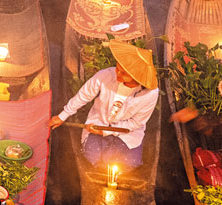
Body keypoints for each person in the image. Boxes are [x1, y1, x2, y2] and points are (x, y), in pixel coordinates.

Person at [50, 41, 160, 171]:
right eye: (118, 68)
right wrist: (63, 116)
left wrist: (107, 131)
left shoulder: (150, 94)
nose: (117, 74)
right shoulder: (106, 75)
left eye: (124, 73)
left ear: (137, 78)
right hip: (98, 123)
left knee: (127, 164)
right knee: (93, 158)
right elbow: (83, 96)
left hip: (127, 132)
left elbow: (136, 123)